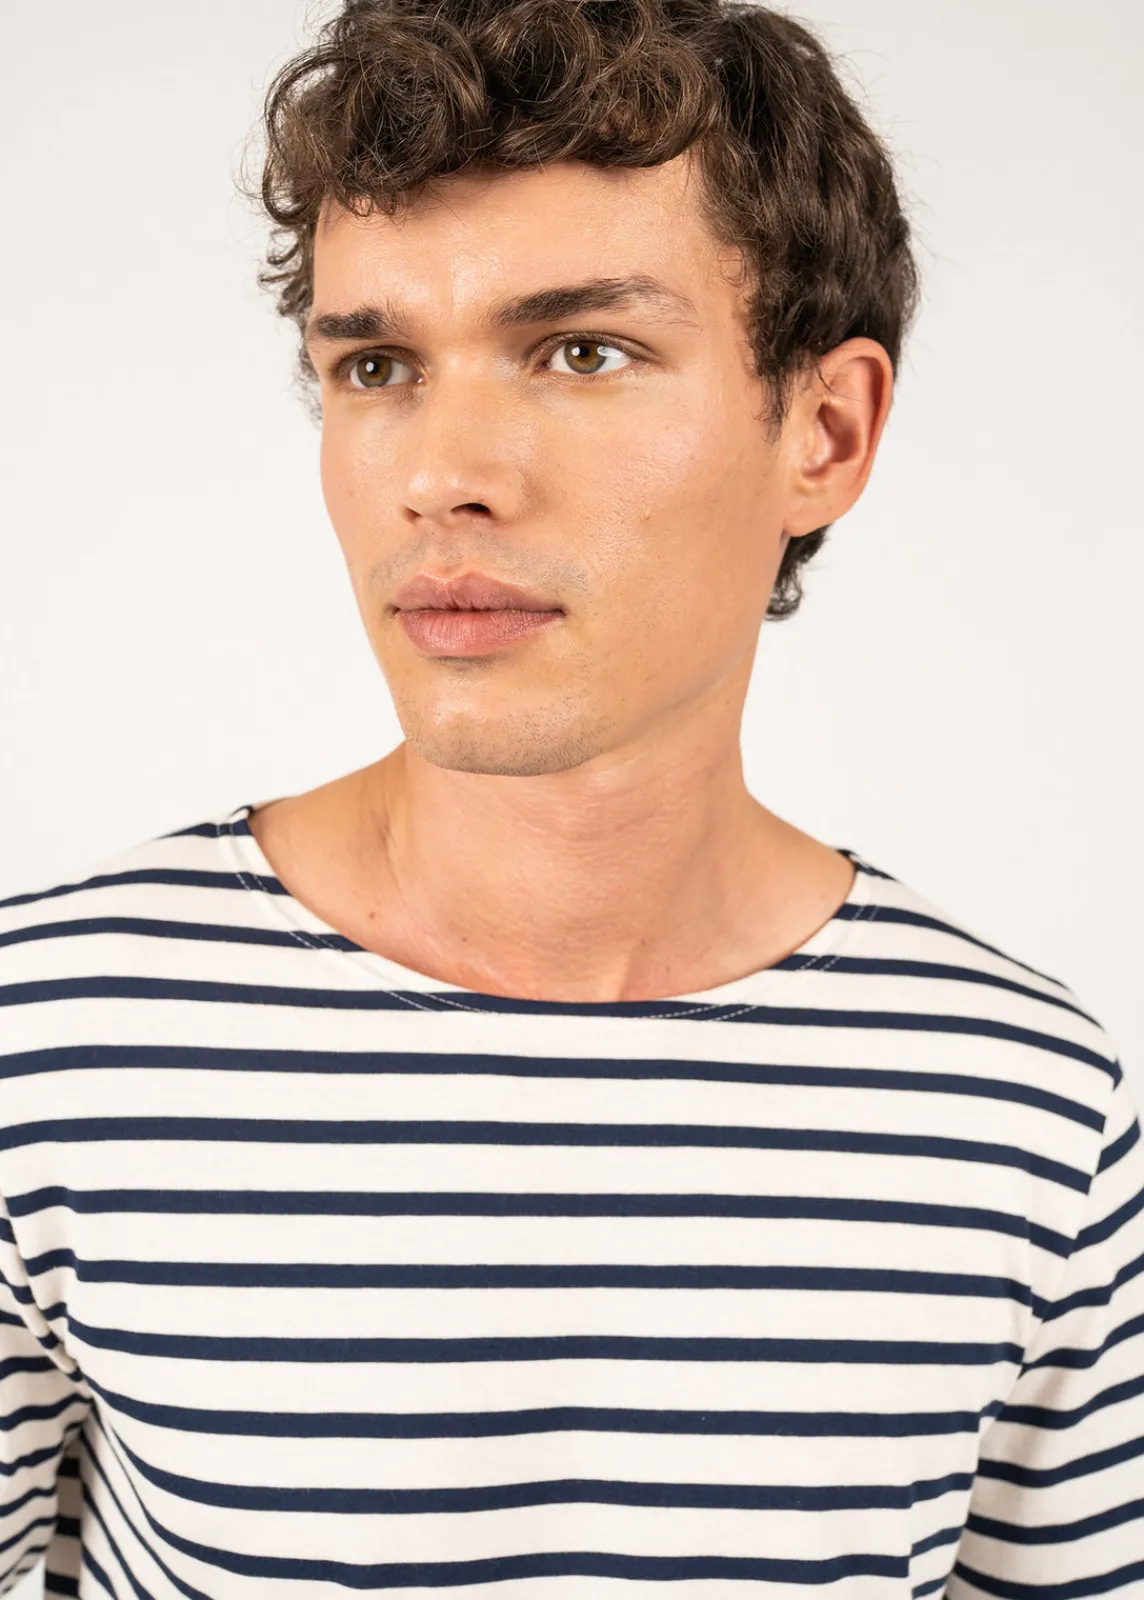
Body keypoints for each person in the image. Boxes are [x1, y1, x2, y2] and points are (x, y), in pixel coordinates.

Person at [1, 0, 1140, 1593]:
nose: (442, 474)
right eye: (378, 364)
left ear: (824, 431)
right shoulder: (53, 1034)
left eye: (583, 351)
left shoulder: (1030, 1108)